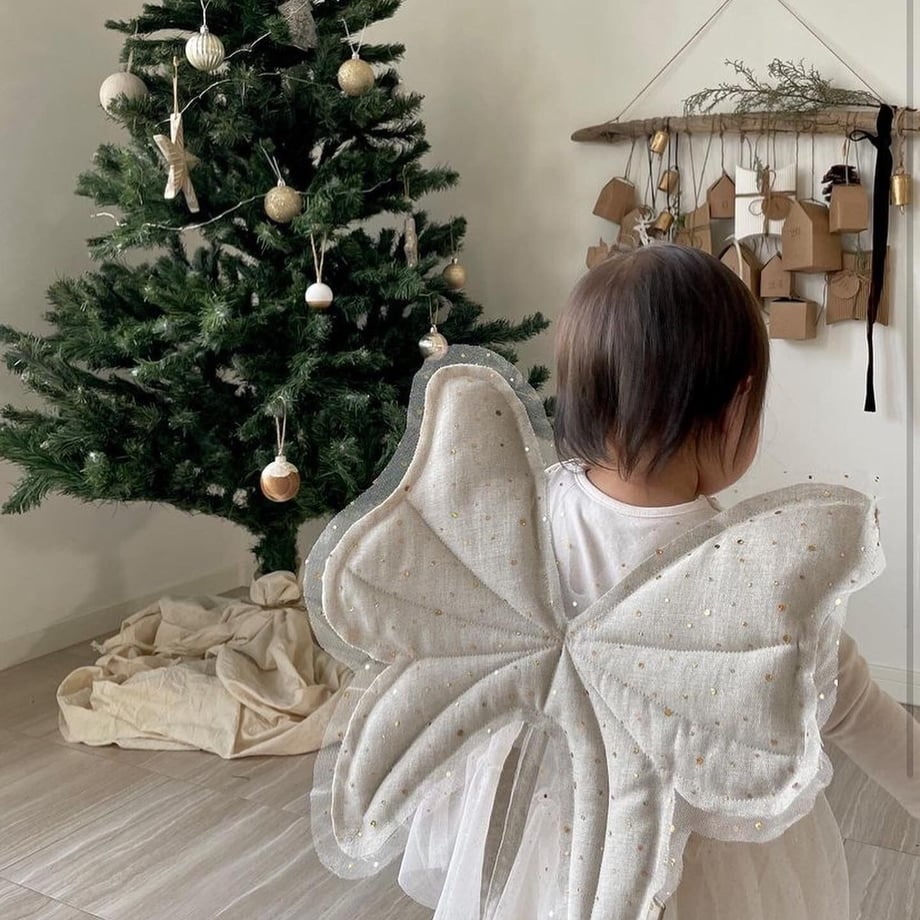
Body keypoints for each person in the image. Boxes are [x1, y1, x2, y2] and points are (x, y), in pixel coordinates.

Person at [548, 243, 919, 918]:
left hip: (559, 836)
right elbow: (855, 708)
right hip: (701, 867)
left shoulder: (533, 513)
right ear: (737, 403)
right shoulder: (756, 577)